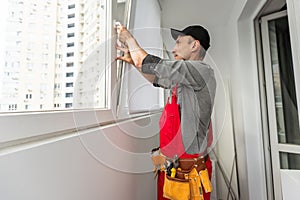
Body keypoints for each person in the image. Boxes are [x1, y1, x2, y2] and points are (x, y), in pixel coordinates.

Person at [116, 24, 216, 200]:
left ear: (194, 45)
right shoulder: (184, 79)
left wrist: (130, 40)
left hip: (189, 174)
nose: (173, 48)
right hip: (173, 171)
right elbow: (156, 77)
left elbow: (152, 64)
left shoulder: (201, 70)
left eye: (178, 42)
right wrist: (134, 62)